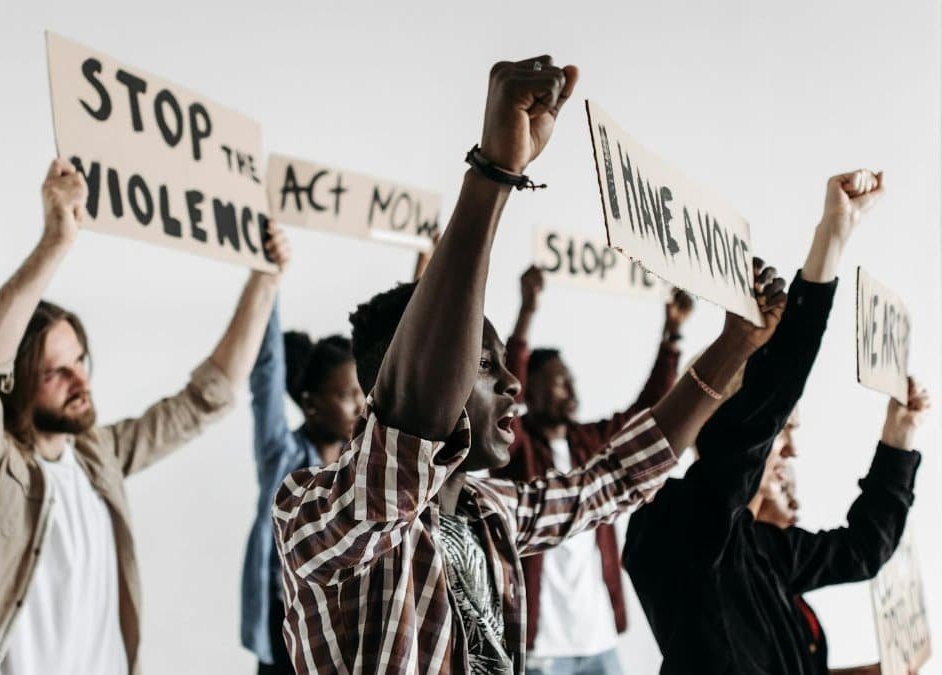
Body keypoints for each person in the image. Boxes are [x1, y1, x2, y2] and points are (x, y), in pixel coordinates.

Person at [271, 54, 787, 674]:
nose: (511, 379)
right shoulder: (314, 511)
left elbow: (616, 477)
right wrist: (493, 174)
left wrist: (737, 342)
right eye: (483, 365)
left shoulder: (490, 512)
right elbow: (411, 428)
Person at [0, 158, 291, 675]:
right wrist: (55, 243)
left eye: (80, 360)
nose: (81, 380)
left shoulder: (97, 456)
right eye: (57, 372)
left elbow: (206, 399)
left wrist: (265, 279)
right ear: (17, 383)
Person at [622, 170, 926, 675]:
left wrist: (900, 437)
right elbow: (760, 411)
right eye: (782, 433)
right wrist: (831, 239)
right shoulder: (673, 524)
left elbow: (864, 549)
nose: (789, 452)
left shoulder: (763, 550)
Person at [493, 266, 693, 675]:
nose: (571, 390)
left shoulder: (591, 441)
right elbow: (506, 399)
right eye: (559, 382)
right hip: (541, 649)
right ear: (531, 391)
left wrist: (671, 336)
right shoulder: (518, 448)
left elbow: (650, 412)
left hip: (599, 640)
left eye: (571, 380)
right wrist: (526, 314)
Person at [243, 246, 431, 674]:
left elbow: (394, 367)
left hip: (346, 628)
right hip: (284, 626)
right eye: (346, 396)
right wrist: (269, 278)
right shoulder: (282, 457)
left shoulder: (360, 462)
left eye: (360, 395)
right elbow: (266, 372)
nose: (359, 406)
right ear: (310, 405)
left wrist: (421, 283)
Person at [756, 415, 926, 675]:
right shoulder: (740, 558)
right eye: (784, 488)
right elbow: (863, 549)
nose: (796, 505)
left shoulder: (775, 571)